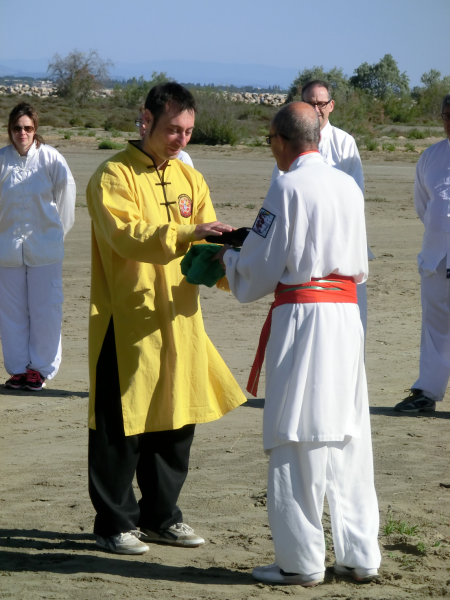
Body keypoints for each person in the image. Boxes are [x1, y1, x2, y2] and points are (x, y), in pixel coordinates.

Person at [216, 102, 380, 586]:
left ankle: (302, 559)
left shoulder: (286, 185)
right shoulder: (347, 185)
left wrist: (230, 260)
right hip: (347, 315)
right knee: (347, 433)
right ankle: (360, 552)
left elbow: (261, 267)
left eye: (270, 139)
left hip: (305, 315)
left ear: (281, 141)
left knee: (295, 433)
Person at [86, 82, 245, 555]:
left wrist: (232, 261)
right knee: (121, 425)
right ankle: (114, 522)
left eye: (189, 131)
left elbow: (205, 243)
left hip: (179, 317)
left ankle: (162, 516)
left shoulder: (191, 180)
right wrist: (187, 230)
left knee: (176, 420)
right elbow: (128, 236)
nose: (181, 139)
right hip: (127, 319)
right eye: (174, 129)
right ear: (146, 120)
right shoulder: (112, 175)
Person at [271, 79, 374, 336]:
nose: (316, 109)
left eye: (321, 103)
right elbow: (280, 195)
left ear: (331, 106)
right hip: (303, 249)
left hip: (340, 248)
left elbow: (355, 196)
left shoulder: (344, 143)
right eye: (310, 103)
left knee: (349, 332)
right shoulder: (290, 142)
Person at [0, 102, 75, 391]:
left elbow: (66, 198)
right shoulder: (2, 160)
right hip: (7, 250)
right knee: (11, 311)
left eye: (28, 128)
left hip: (45, 249)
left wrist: (56, 235)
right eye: (17, 128)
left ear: (35, 130)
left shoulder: (51, 159)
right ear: (10, 130)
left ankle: (40, 369)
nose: (23, 133)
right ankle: (19, 369)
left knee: (46, 309)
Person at [394, 94, 450, 413]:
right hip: (436, 259)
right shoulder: (430, 157)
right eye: (446, 115)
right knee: (434, 329)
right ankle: (426, 392)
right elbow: (423, 207)